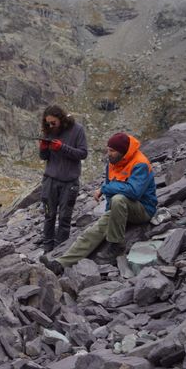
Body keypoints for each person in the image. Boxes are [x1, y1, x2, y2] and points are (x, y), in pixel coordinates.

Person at [40, 132, 157, 275]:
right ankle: (60, 264)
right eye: (108, 150)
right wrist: (109, 212)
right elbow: (111, 194)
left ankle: (116, 246)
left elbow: (134, 192)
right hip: (120, 208)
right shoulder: (113, 163)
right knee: (92, 232)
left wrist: (104, 188)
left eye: (112, 151)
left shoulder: (141, 164)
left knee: (118, 199)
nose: (109, 154)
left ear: (123, 152)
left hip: (143, 209)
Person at [38, 105, 88, 252]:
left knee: (65, 218)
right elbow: (44, 157)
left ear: (61, 119)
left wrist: (62, 147)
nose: (51, 126)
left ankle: (60, 251)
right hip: (50, 181)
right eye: (48, 123)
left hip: (69, 182)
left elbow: (83, 153)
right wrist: (43, 148)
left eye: (53, 122)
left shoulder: (77, 129)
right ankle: (47, 248)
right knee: (49, 215)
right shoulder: (48, 131)